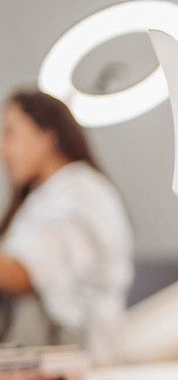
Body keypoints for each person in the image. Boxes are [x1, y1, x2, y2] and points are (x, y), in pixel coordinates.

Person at [0, 89, 133, 364]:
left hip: (87, 365)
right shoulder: (42, 196)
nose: (3, 149)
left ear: (46, 133)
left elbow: (26, 274)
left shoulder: (82, 192)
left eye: (10, 133)